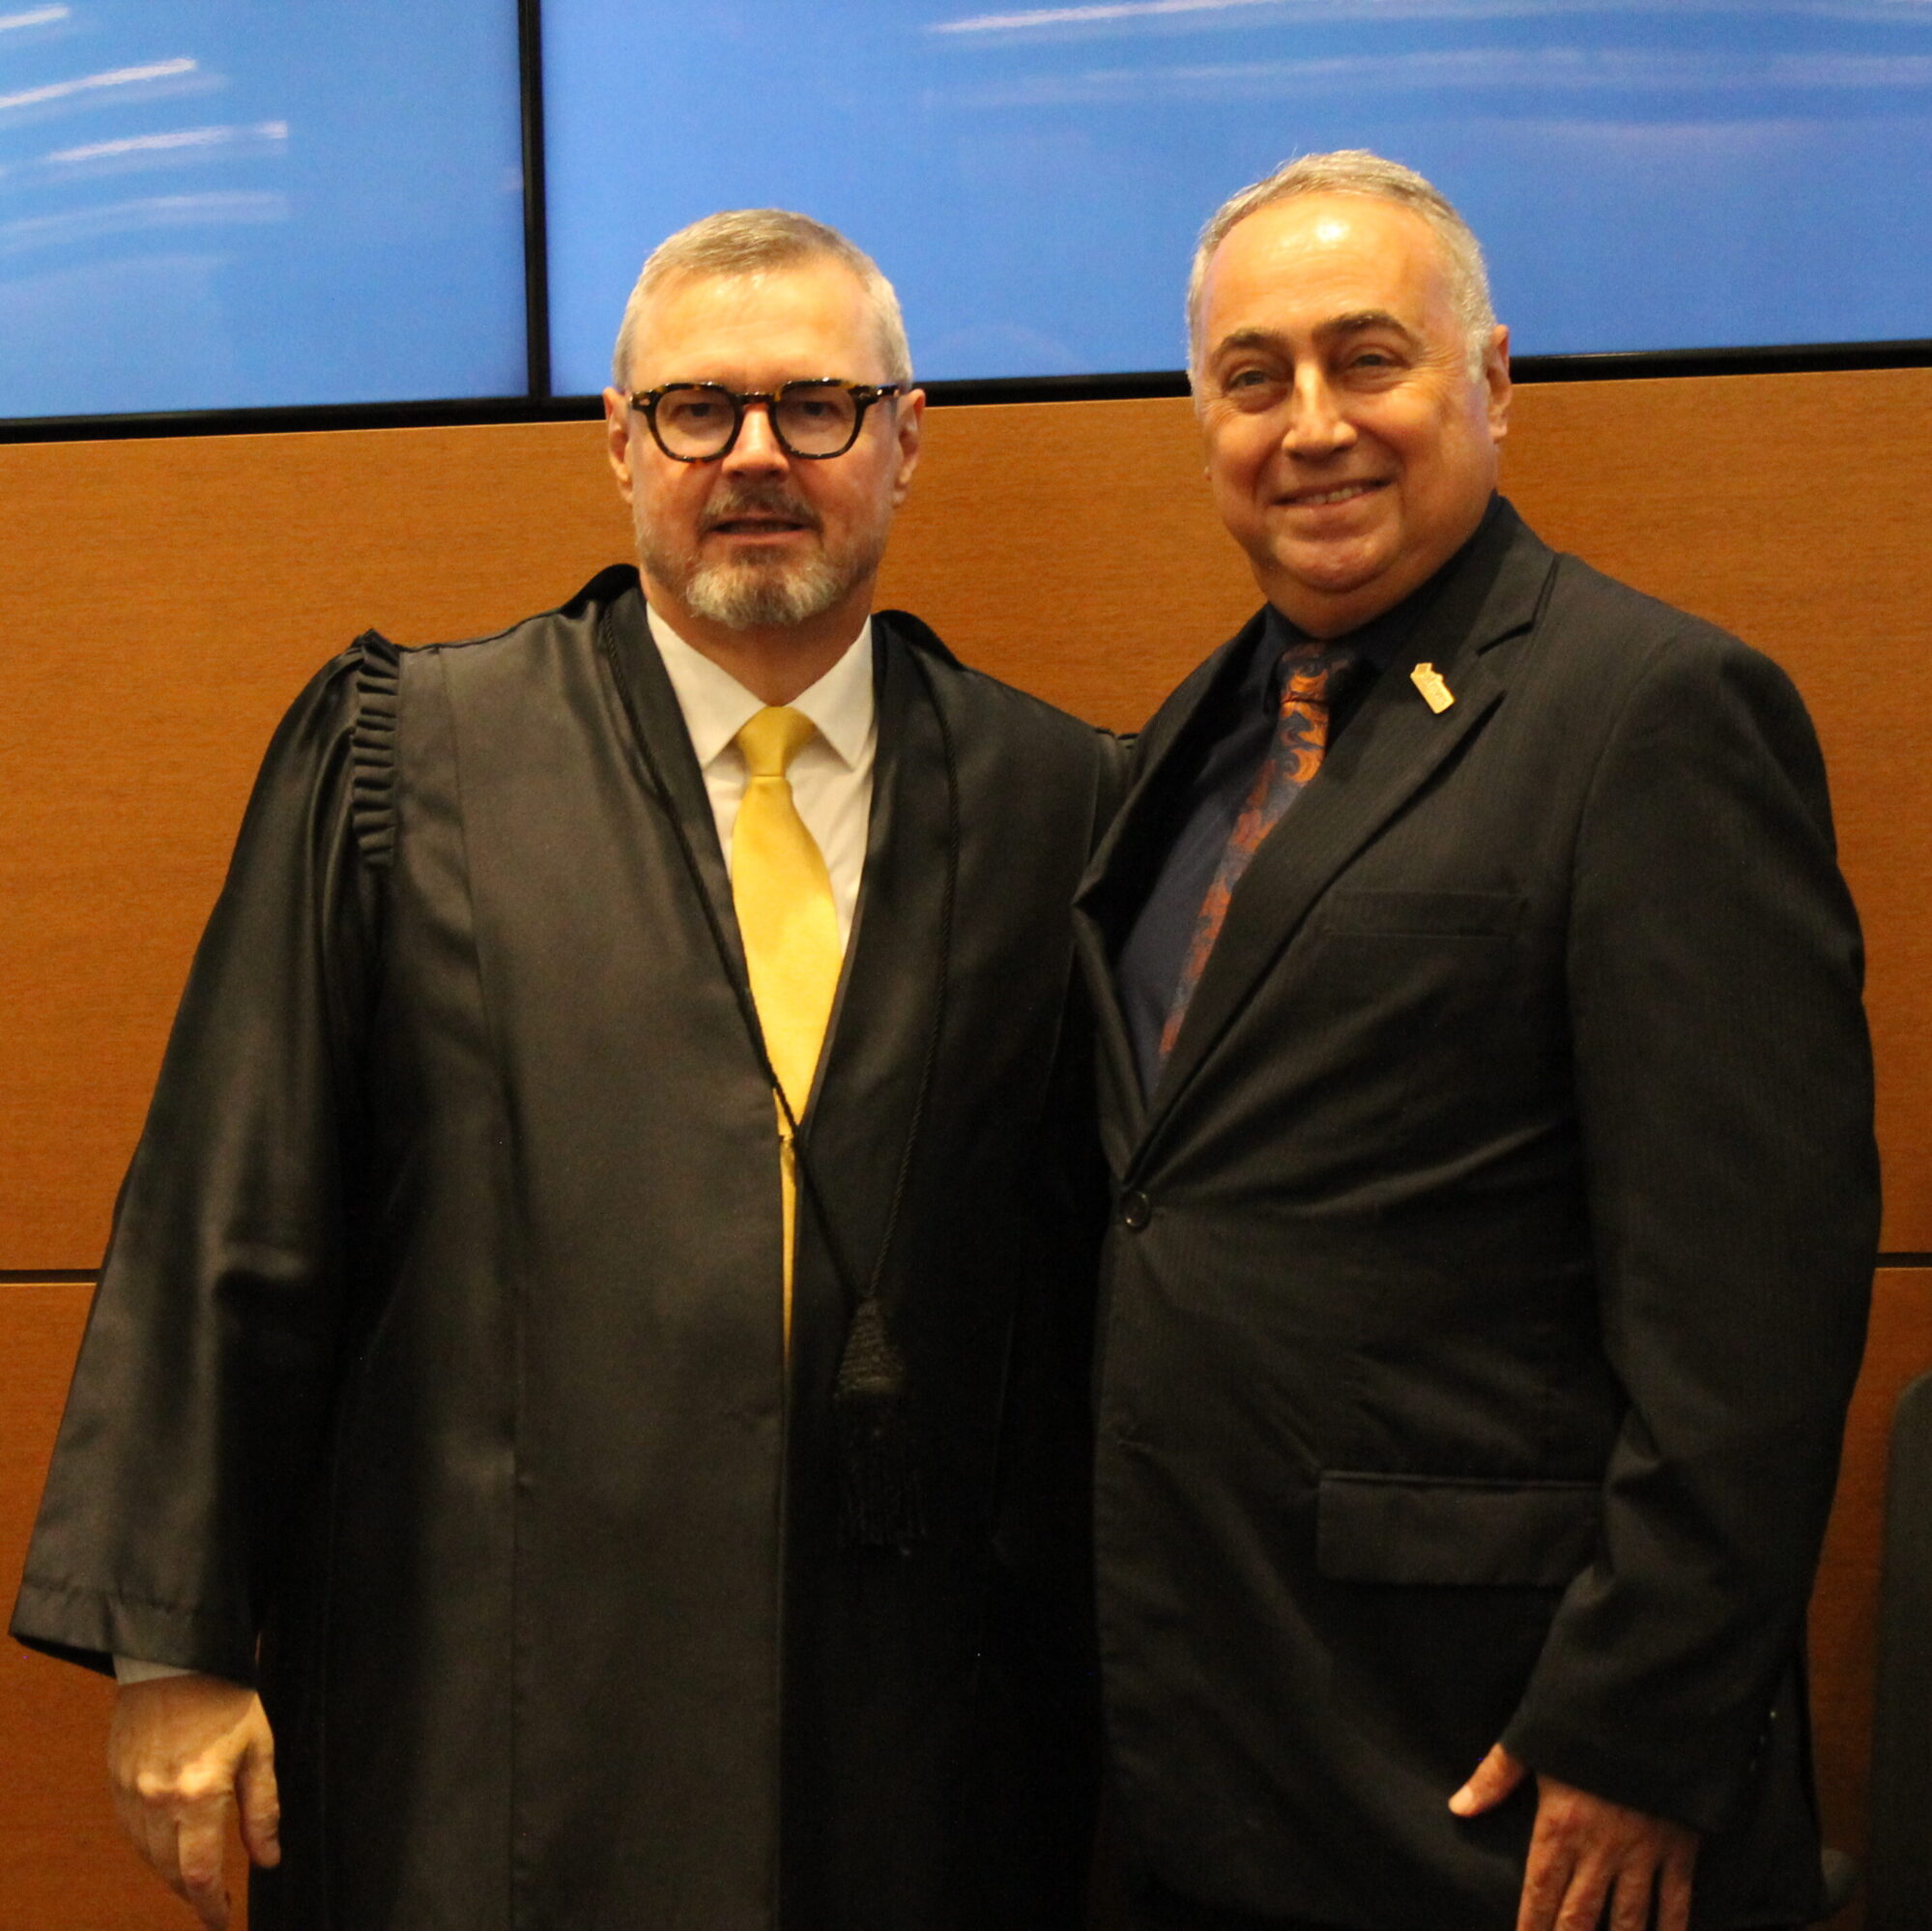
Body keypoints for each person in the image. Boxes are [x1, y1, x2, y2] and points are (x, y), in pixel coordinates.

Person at [13, 210, 1115, 1931]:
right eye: (698, 409)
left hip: (921, 1736)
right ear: (618, 442)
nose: (755, 456)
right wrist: (172, 1646)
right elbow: (234, 1204)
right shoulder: (414, 763)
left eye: (817, 406)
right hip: (499, 1717)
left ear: (908, 439)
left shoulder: (1066, 804)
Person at [1077, 152, 1878, 1931]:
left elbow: (1753, 1299)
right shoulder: (1190, 743)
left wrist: (1646, 1721)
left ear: (1492, 381)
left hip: (1511, 1769)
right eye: (1252, 376)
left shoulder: (1652, 713)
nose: (1311, 425)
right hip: (1221, 1730)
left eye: (1368, 359)